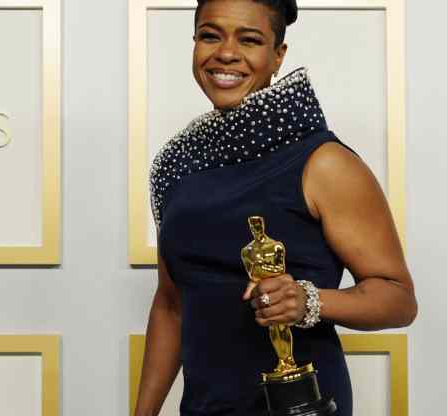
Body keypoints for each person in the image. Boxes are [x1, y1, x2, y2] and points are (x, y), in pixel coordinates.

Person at [135, 0, 417, 415]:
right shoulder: (176, 166)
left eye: (250, 40)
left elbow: (399, 299)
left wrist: (310, 301)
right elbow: (171, 305)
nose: (226, 53)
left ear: (277, 56)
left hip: (298, 405)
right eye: (210, 35)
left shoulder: (324, 164)